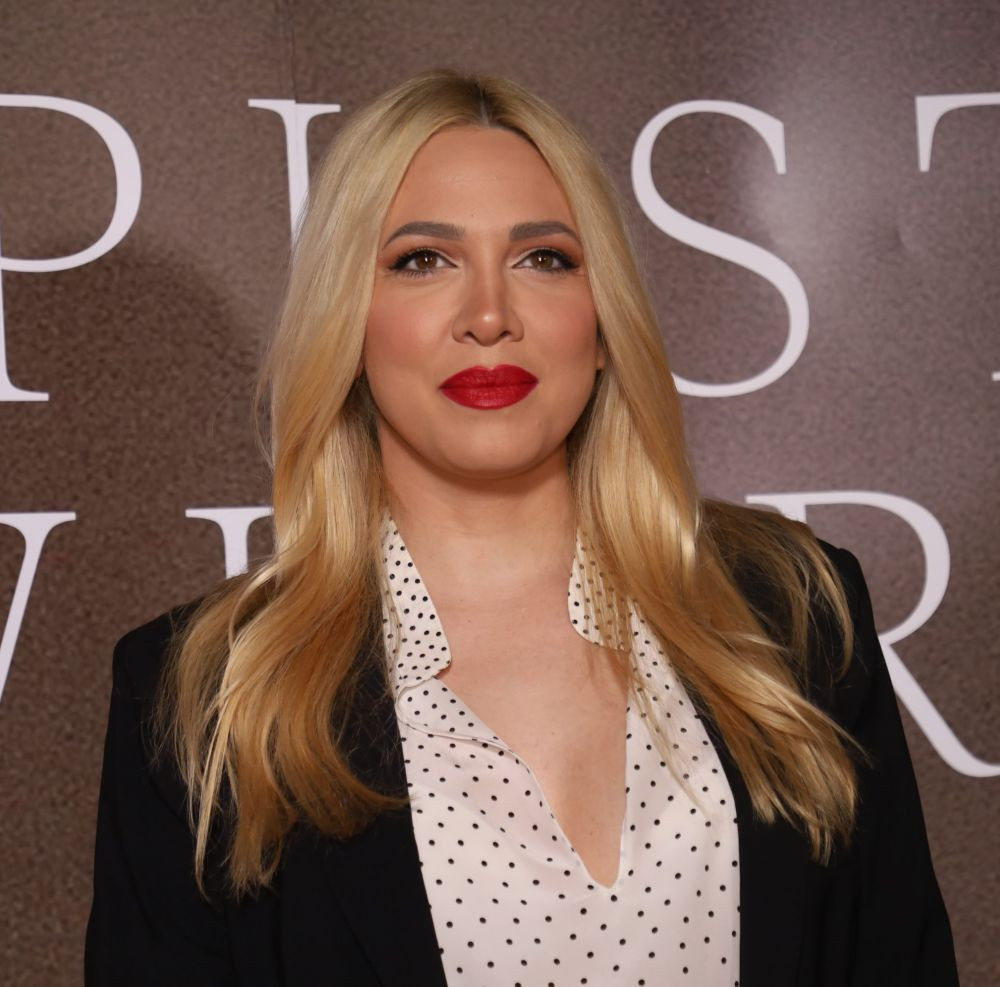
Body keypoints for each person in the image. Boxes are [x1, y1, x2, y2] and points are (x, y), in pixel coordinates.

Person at [85, 69, 959, 987]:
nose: (490, 316)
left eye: (543, 258)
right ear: (348, 318)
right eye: (423, 260)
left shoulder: (796, 609)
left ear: (603, 317)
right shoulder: (202, 699)